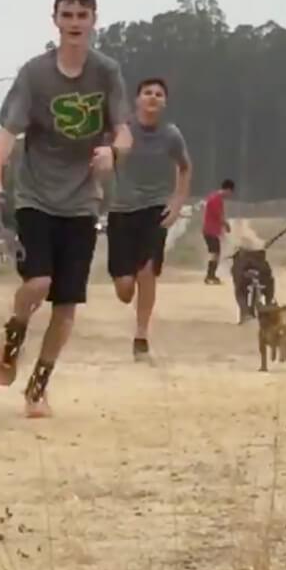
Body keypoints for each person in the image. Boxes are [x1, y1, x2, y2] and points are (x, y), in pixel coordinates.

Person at [0, 0, 133, 418]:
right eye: (67, 16)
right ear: (55, 21)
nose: (74, 24)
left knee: (66, 304)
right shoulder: (34, 74)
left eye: (82, 16)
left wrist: (113, 151)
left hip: (82, 202)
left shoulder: (107, 73)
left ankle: (38, 387)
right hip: (35, 196)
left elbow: (123, 130)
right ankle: (14, 335)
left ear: (93, 21)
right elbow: (7, 132)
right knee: (38, 283)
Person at [105, 77, 193, 362]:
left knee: (148, 271)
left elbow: (185, 167)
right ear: (137, 99)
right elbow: (102, 158)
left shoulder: (171, 135)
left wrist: (178, 202)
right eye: (147, 93)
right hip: (121, 210)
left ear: (165, 102)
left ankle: (141, 335)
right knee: (124, 288)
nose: (153, 97)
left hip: (155, 210)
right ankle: (125, 286)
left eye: (158, 94)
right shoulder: (123, 131)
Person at [202, 179, 234, 285]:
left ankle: (211, 275)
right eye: (230, 192)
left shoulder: (214, 197)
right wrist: (226, 225)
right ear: (228, 189)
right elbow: (218, 215)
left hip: (211, 230)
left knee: (215, 253)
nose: (230, 195)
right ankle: (209, 276)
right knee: (215, 253)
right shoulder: (216, 199)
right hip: (210, 230)